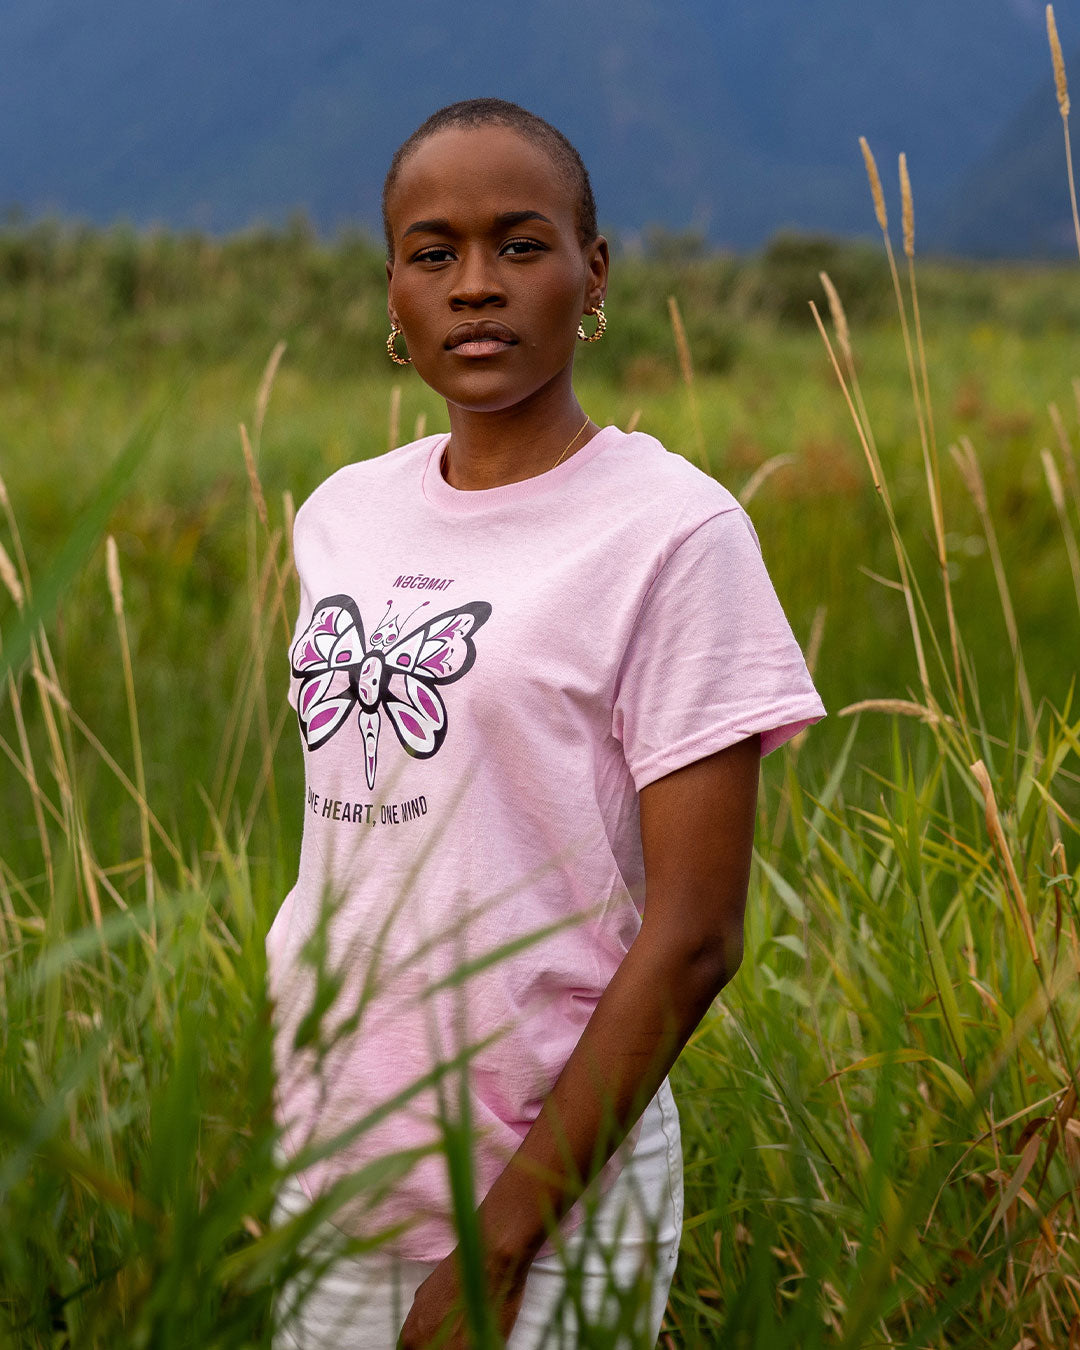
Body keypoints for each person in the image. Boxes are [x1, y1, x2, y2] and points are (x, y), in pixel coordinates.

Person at [265, 97, 825, 1349]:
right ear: (393, 294)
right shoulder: (343, 517)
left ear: (593, 274)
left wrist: (503, 1246)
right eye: (434, 253)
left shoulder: (673, 534)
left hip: (548, 1207)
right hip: (338, 1176)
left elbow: (695, 933)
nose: (476, 286)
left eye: (521, 246)